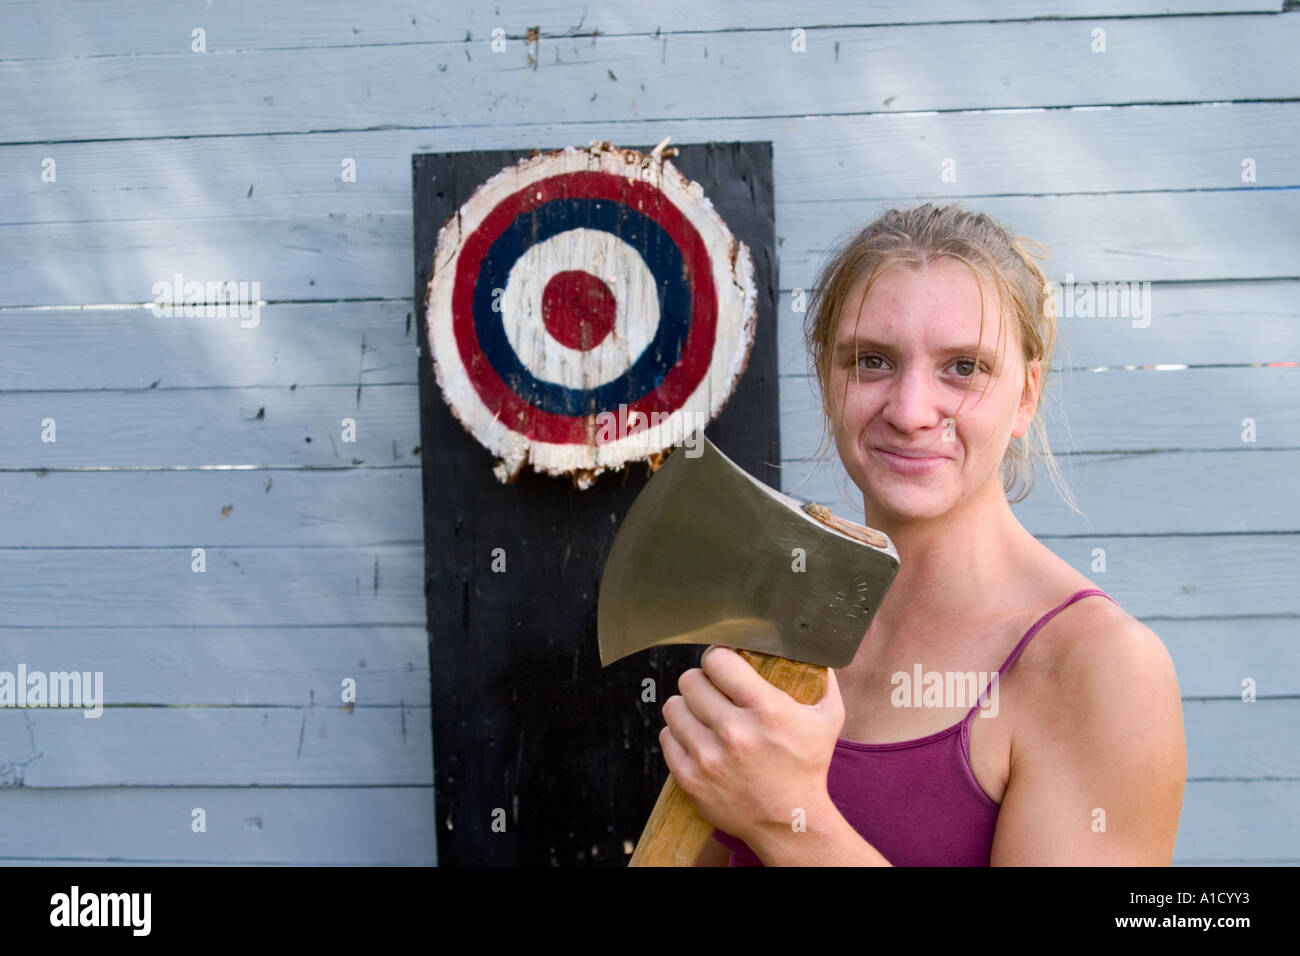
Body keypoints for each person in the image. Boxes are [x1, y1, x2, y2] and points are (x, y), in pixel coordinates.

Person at [659, 203, 1186, 866]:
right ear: (828, 379)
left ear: (1026, 394)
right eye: (872, 361)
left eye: (963, 368)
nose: (910, 412)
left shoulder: (1100, 668)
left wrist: (787, 818)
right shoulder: (785, 614)